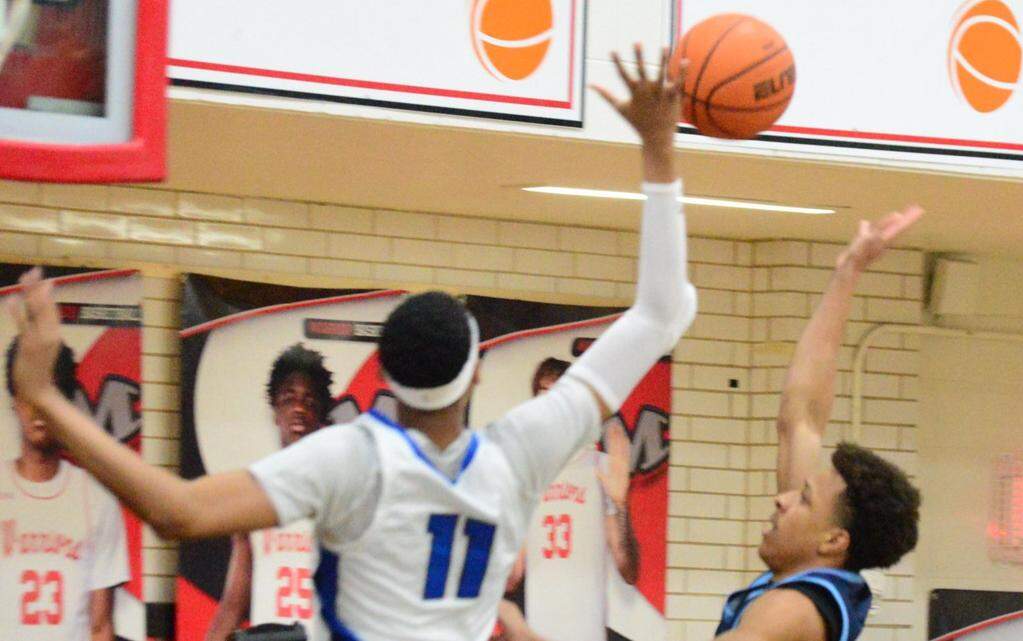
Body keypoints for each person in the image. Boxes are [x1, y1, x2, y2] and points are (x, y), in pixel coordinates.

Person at [6, 44, 696, 641]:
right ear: (475, 376)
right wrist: (659, 151)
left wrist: (44, 395)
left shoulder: (354, 459)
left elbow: (176, 510)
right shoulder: (521, 451)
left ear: (386, 375)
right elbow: (662, 312)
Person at [712, 210, 924, 641]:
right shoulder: (813, 587)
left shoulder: (792, 607)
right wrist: (848, 272)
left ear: (833, 541)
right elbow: (802, 416)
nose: (782, 499)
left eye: (805, 499)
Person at [498, 358, 640, 641]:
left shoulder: (600, 468)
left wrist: (620, 503)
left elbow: (628, 569)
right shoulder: (526, 475)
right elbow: (512, 578)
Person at [0, 339, 129, 641]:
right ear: (15, 400)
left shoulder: (97, 499)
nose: (38, 409)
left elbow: (100, 627)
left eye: (51, 395)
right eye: (30, 393)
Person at [205, 344, 335, 641]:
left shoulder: (338, 490)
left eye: (310, 400)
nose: (299, 408)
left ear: (320, 414)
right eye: (289, 398)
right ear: (275, 410)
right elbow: (234, 602)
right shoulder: (255, 493)